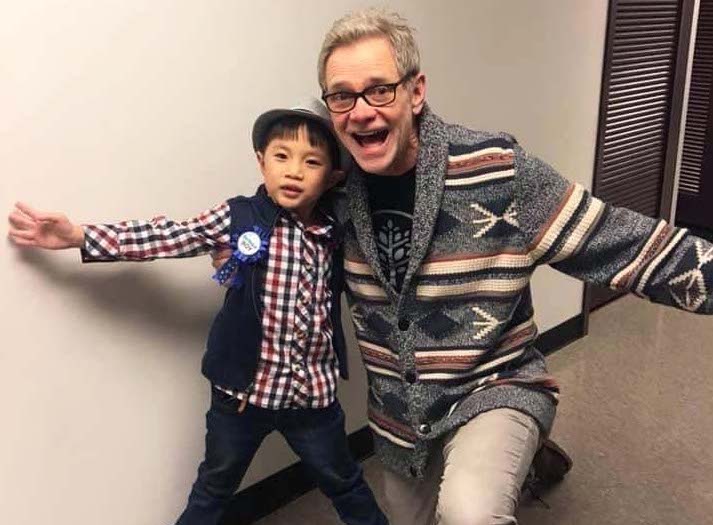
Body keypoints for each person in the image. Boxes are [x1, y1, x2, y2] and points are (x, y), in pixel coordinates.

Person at [311, 8, 712, 525]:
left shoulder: (497, 169)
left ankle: (509, 435)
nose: (360, 110)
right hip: (401, 417)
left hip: (496, 381)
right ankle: (526, 461)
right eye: (342, 95)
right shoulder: (335, 194)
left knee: (468, 514)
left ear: (415, 91)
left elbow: (621, 242)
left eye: (380, 89)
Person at [7, 99, 389, 525]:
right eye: (281, 156)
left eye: (312, 162)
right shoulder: (238, 217)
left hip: (312, 400)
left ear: (332, 176)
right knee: (213, 487)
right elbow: (167, 235)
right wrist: (80, 236)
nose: (294, 171)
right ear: (261, 162)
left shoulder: (335, 233)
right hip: (242, 398)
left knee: (346, 483)